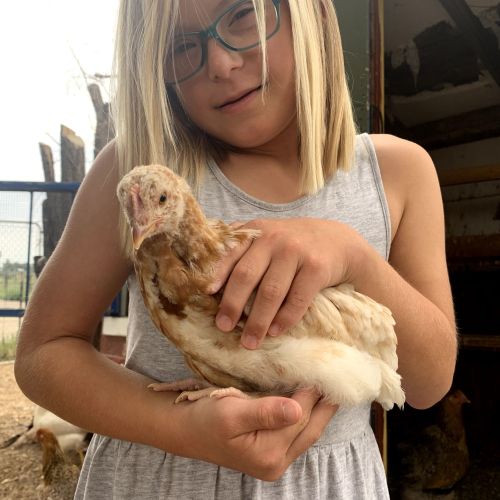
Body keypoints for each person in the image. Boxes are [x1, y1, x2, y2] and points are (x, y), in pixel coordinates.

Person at [15, 0, 457, 498]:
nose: (220, 64)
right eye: (182, 45)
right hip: (158, 482)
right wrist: (180, 427)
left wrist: (354, 256)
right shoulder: (137, 174)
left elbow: (429, 382)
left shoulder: (398, 174)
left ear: (311, 14)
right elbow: (42, 353)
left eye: (243, 16)